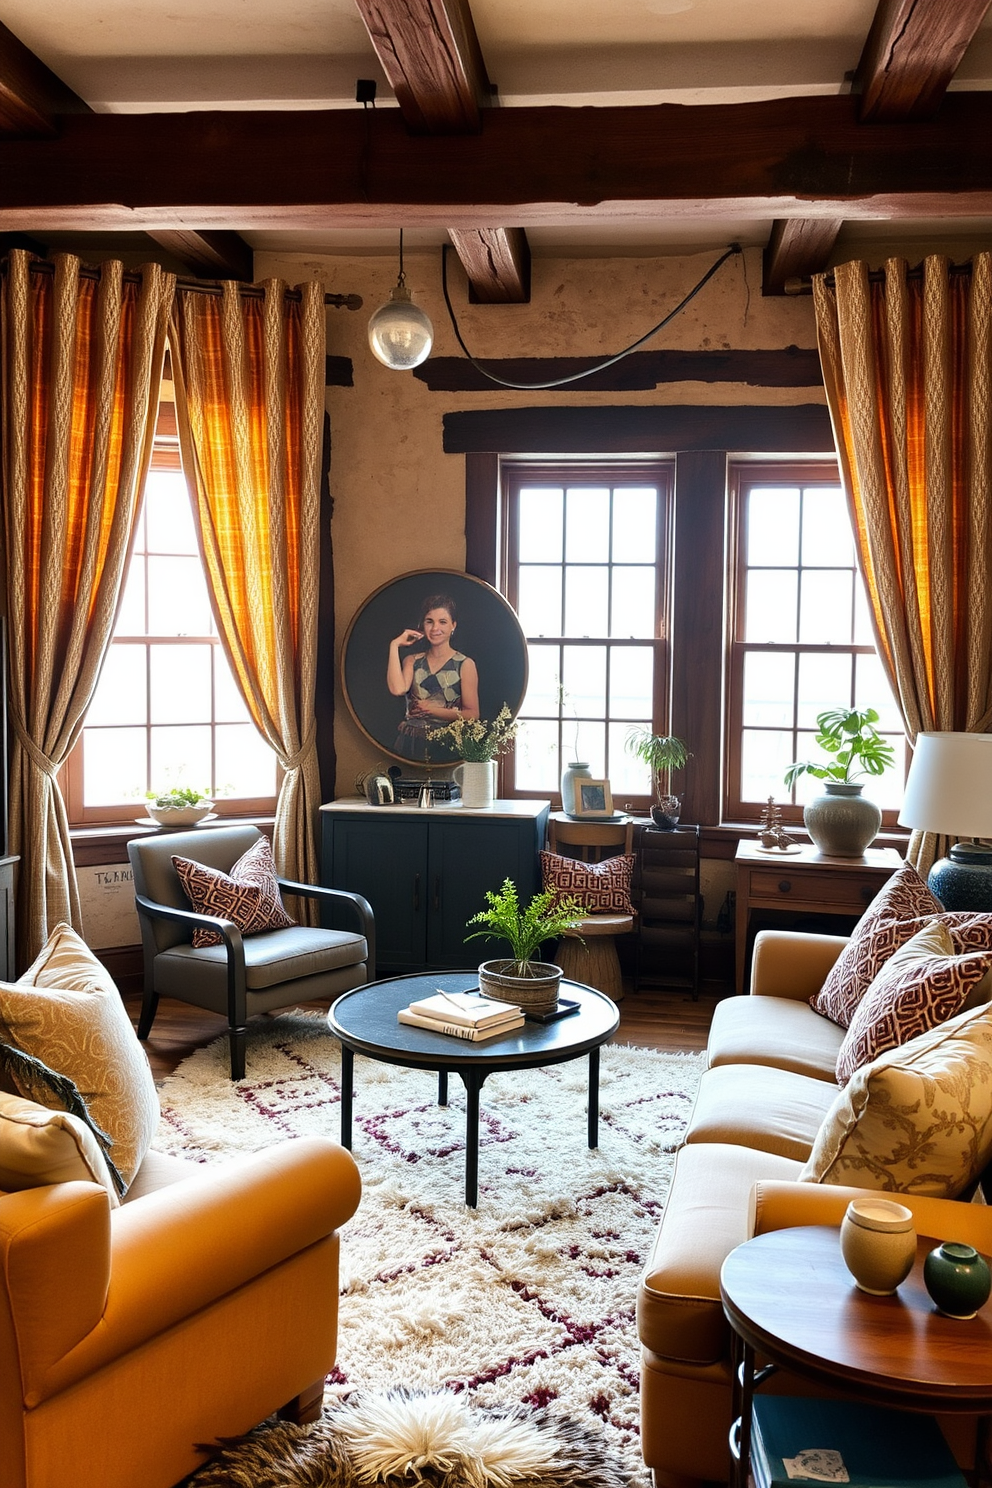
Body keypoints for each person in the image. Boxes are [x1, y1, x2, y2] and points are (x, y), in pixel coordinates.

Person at [386, 594, 480, 761]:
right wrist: (394, 645)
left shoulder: (465, 664)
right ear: (423, 625)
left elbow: (472, 714)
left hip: (447, 744)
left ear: (453, 626)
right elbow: (397, 688)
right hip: (411, 743)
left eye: (442, 622)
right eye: (429, 621)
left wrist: (431, 710)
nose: (435, 628)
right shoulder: (412, 661)